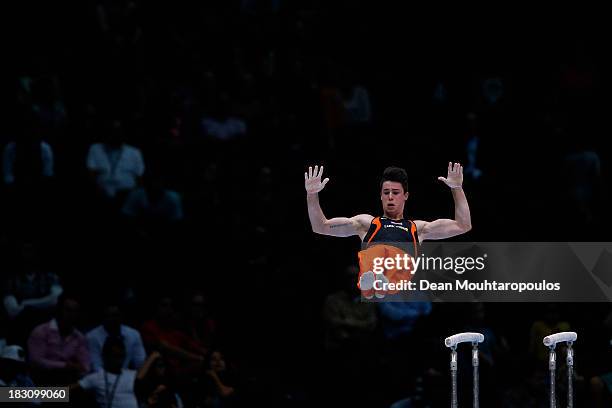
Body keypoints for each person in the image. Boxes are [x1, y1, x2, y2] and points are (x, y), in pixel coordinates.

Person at [305, 163, 472, 297]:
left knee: (398, 257)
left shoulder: (418, 228)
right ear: (381, 196)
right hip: (373, 269)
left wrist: (457, 188)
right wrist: (312, 194)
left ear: (406, 195)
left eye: (395, 192)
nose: (390, 196)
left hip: (398, 277)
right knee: (376, 252)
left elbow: (462, 225)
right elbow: (321, 226)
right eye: (386, 192)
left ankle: (379, 285)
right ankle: (372, 284)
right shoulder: (366, 223)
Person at [27, 294, 90, 385]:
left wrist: (79, 370)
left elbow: (85, 366)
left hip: (66, 381)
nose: (71, 315)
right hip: (40, 379)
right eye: (68, 310)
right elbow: (36, 361)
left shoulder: (79, 337)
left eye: (75, 311)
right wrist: (65, 365)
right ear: (59, 311)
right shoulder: (41, 332)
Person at [87, 302, 146, 371]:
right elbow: (96, 366)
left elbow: (141, 362)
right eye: (109, 316)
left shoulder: (133, 334)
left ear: (121, 316)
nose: (113, 319)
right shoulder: (92, 337)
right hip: (100, 378)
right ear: (104, 317)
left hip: (126, 377)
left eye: (116, 315)